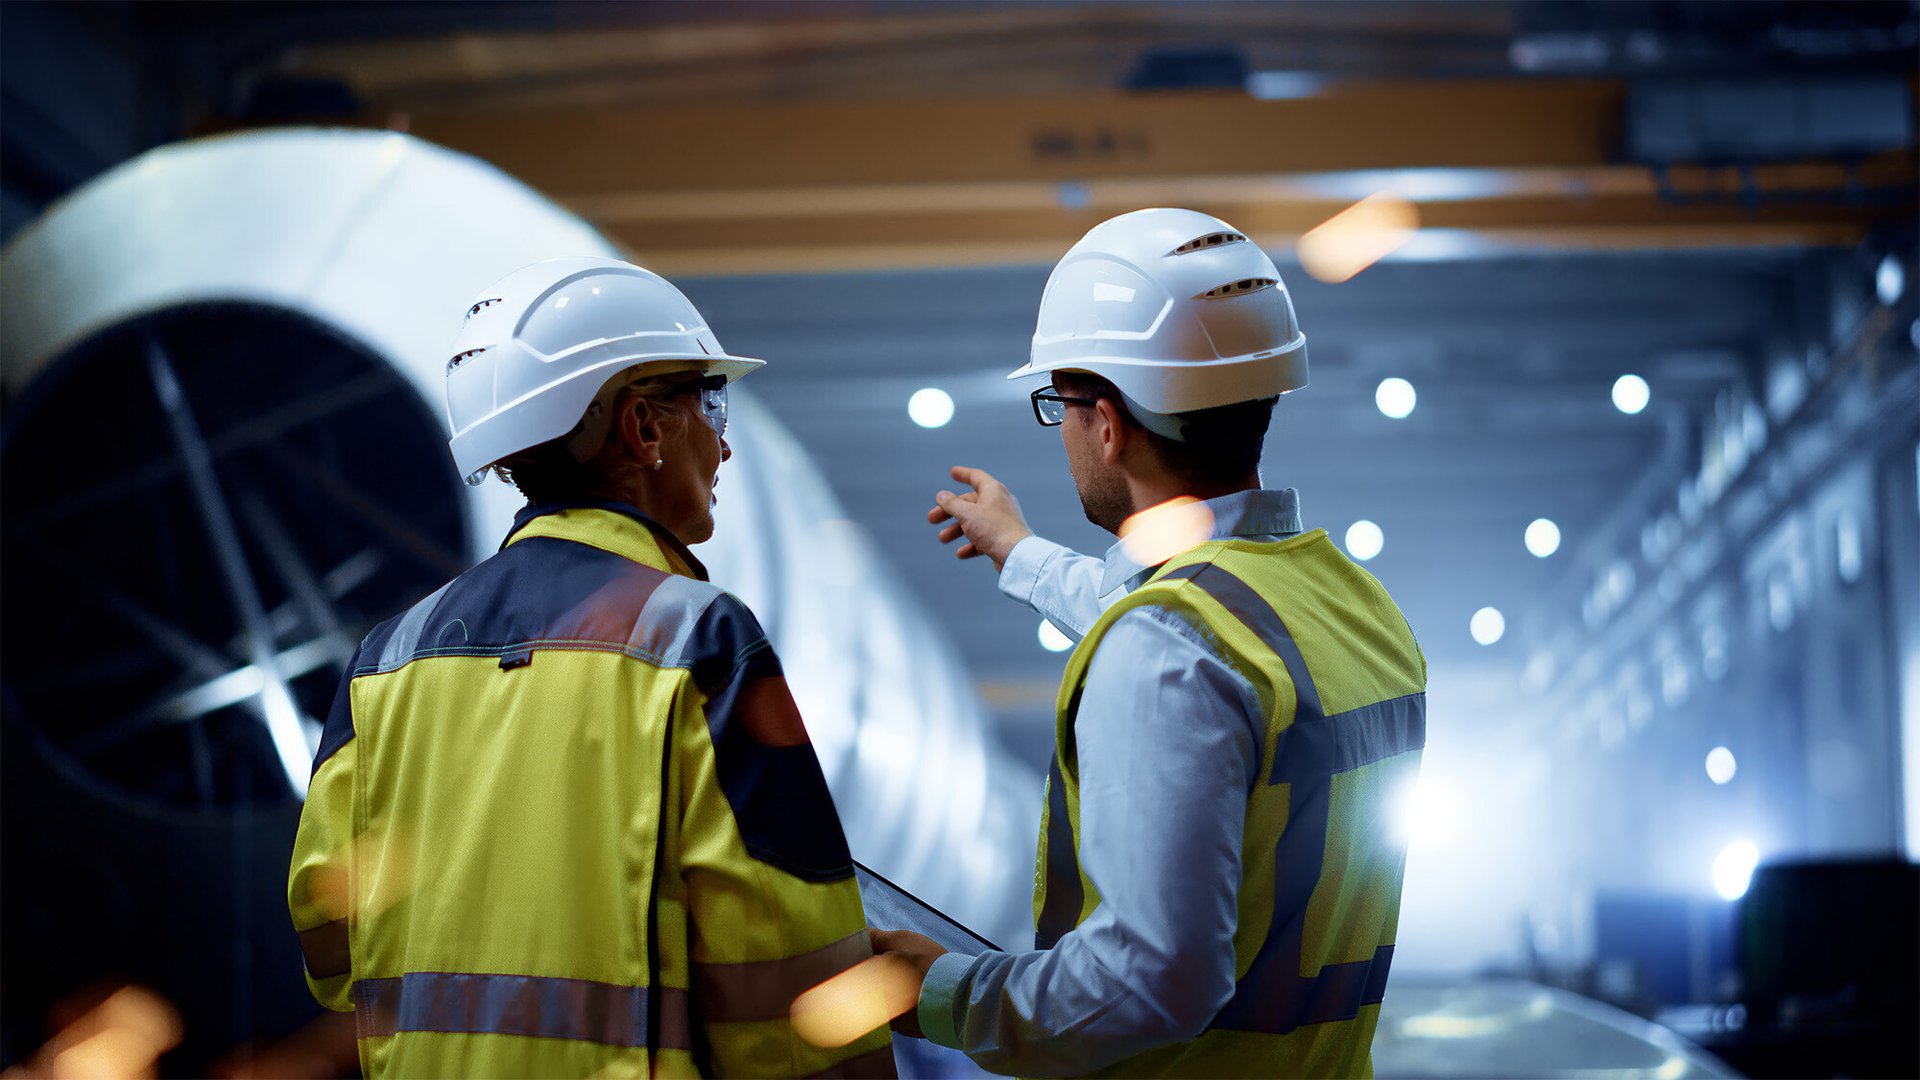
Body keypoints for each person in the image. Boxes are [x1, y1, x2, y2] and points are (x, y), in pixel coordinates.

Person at [288, 257, 894, 1079]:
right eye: (709, 404)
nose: (721, 445)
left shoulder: (385, 663)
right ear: (644, 429)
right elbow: (786, 969)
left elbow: (330, 949)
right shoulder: (696, 643)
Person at [869, 209, 1428, 1077]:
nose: (1059, 430)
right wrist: (1020, 551)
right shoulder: (1348, 605)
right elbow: (1191, 635)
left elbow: (1154, 984)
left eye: (1057, 402)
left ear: (1109, 424)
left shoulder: (1167, 647)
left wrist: (939, 988)